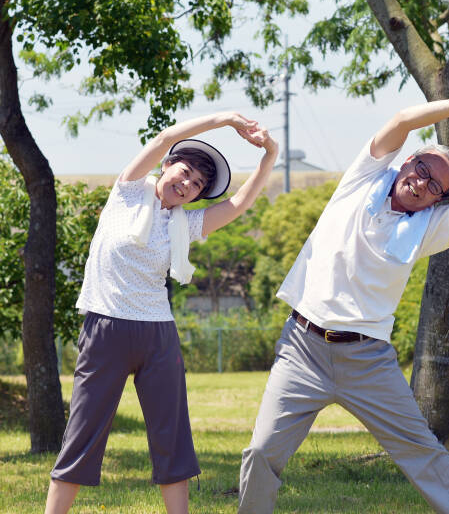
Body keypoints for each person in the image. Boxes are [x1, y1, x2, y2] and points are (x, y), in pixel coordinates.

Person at [237, 96, 449, 514]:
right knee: (262, 451)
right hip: (302, 348)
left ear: (438, 200)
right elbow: (403, 119)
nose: (422, 184)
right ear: (407, 161)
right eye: (421, 170)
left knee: (423, 453)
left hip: (367, 360)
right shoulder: (364, 176)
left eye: (435, 187)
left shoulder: (428, 227)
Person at [44, 112, 278, 514]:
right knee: (82, 435)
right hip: (106, 328)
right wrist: (223, 119)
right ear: (167, 165)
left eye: (197, 184)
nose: (187, 184)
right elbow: (164, 136)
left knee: (172, 439)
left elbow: (240, 203)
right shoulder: (129, 191)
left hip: (158, 336)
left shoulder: (184, 225)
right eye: (185, 172)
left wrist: (270, 154)